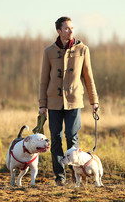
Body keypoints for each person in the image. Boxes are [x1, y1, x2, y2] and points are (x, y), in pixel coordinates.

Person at [39, 16, 99, 186]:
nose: (70, 30)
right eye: (66, 28)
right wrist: (42, 104)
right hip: (53, 102)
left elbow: (89, 77)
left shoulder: (83, 49)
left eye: (72, 27)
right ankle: (60, 176)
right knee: (56, 139)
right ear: (59, 31)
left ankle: (76, 174)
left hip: (74, 101)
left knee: (72, 137)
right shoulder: (48, 52)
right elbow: (43, 80)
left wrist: (94, 101)